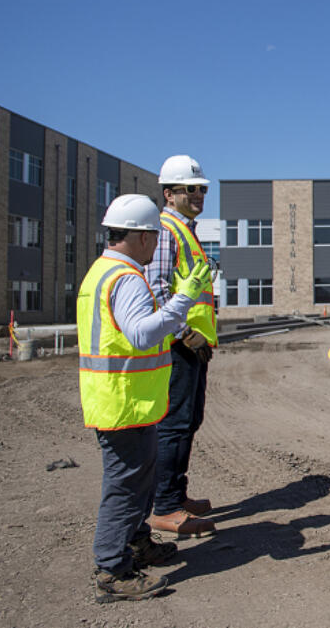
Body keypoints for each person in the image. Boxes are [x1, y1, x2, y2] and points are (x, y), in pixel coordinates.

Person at [78, 194, 212, 602]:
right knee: (125, 486)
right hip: (125, 402)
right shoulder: (127, 279)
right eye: (153, 237)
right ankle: (112, 570)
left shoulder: (102, 273)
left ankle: (136, 544)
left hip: (119, 399)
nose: (156, 246)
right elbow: (141, 334)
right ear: (139, 236)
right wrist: (184, 298)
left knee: (136, 482)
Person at [145, 154, 219, 537]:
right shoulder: (165, 232)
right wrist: (182, 334)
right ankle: (166, 506)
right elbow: (155, 291)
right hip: (179, 346)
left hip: (195, 345)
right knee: (173, 424)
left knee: (189, 421)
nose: (199, 194)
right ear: (169, 193)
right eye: (191, 189)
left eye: (203, 188)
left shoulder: (186, 231)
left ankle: (176, 493)